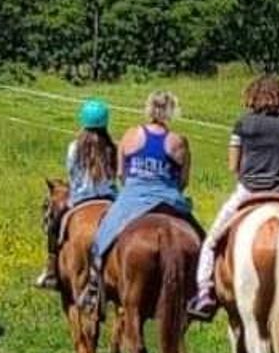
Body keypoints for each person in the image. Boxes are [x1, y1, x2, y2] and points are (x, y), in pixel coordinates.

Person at [186, 74, 279, 321]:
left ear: (252, 96)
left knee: (212, 241)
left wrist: (250, 175)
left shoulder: (243, 125)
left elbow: (232, 165)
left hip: (248, 191)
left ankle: (205, 291)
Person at [78, 91, 194, 312]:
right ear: (172, 111)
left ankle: (94, 285)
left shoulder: (131, 136)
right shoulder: (179, 141)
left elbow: (121, 174)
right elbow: (183, 180)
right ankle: (201, 290)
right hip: (169, 199)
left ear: (148, 108)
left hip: (133, 198)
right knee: (201, 239)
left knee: (102, 235)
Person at [33, 98, 119, 290]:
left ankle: (51, 268)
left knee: (54, 223)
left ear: (83, 121)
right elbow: (116, 175)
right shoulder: (113, 148)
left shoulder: (74, 147)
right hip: (110, 200)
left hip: (81, 198)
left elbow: (72, 175)